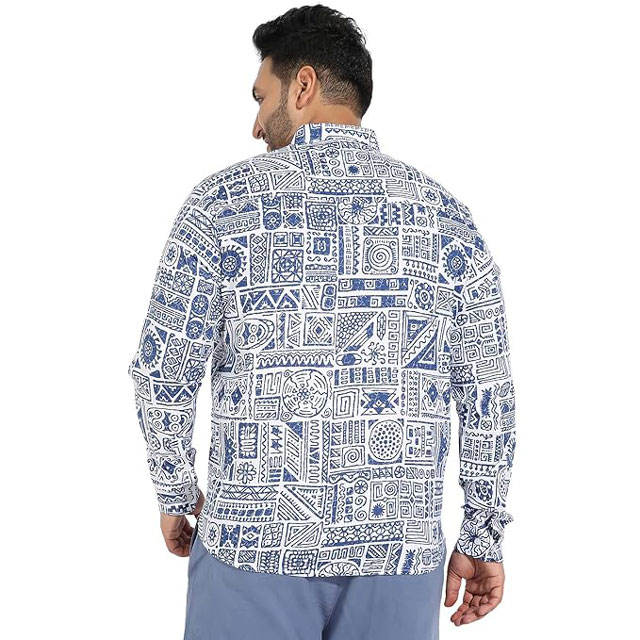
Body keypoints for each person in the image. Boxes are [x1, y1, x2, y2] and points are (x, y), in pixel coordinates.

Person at [127, 5, 517, 639]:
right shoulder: (446, 217)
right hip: (399, 556)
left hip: (252, 551)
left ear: (302, 85)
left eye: (261, 97)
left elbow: (160, 373)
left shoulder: (220, 206)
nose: (256, 124)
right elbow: (487, 390)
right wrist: (482, 534)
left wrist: (176, 495)